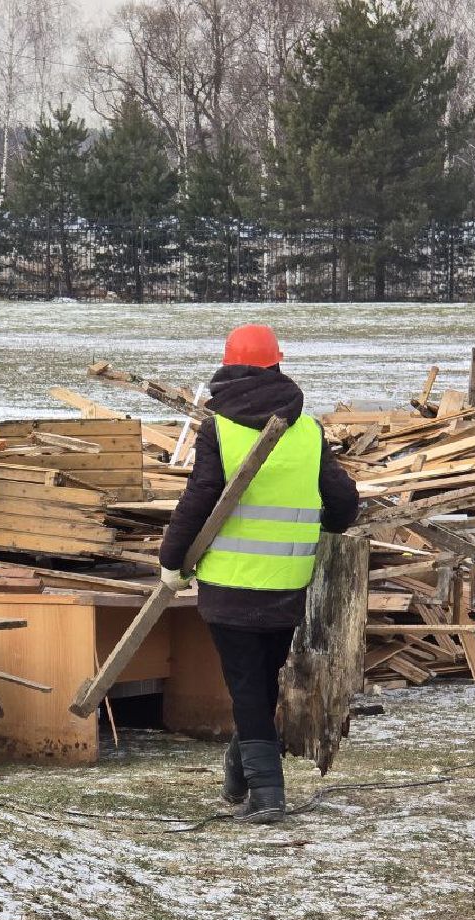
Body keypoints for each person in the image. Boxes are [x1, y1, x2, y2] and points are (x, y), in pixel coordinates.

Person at [158, 324, 359, 824]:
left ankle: (268, 794)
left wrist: (171, 561)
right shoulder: (307, 431)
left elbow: (198, 500)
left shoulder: (219, 429)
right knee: (259, 681)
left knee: (248, 686)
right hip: (287, 583)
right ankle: (240, 776)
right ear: (278, 364)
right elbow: (343, 505)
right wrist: (323, 524)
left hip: (230, 583)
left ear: (227, 366)